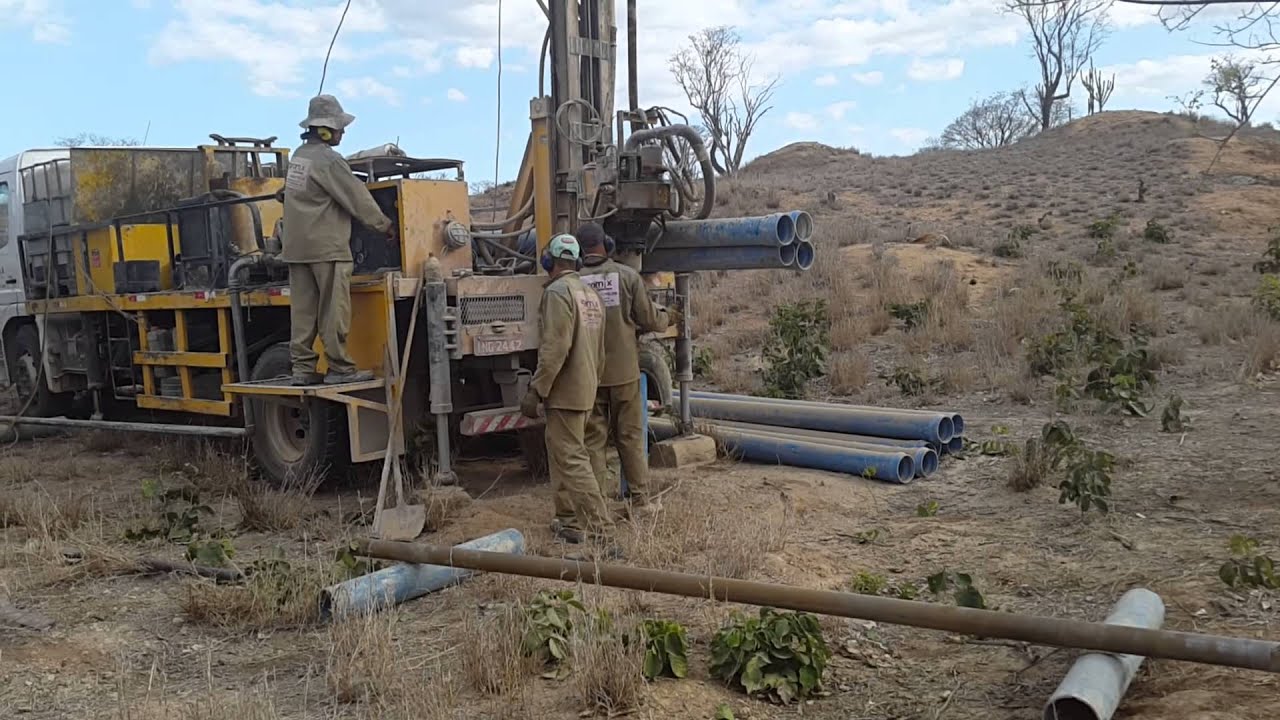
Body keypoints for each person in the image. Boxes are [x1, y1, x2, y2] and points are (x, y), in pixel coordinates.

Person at [281, 94, 397, 386]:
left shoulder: (299, 157)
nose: (342, 132)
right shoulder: (329, 161)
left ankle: (302, 370)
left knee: (304, 313)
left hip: (296, 249)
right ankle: (340, 370)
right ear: (324, 130)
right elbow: (357, 197)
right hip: (327, 248)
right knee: (334, 310)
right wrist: (384, 225)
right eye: (338, 127)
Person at [520, 234, 619, 555]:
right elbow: (601, 351)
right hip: (587, 387)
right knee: (566, 454)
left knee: (572, 459)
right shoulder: (589, 294)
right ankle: (569, 522)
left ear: (548, 261)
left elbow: (554, 349)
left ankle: (604, 533)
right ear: (576, 262)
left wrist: (537, 389)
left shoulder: (558, 294)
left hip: (565, 392)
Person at [577, 222, 679, 516]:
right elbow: (649, 320)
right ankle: (640, 501)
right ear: (606, 245)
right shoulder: (627, 276)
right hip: (624, 372)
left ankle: (597, 507)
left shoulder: (573, 283)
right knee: (631, 436)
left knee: (593, 440)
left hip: (590, 374)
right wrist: (669, 316)